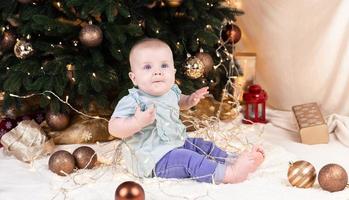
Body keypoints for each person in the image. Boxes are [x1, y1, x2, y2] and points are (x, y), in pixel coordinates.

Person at [108, 38, 265, 184]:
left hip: (176, 142)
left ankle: (232, 160)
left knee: (200, 145)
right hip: (152, 159)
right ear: (134, 78)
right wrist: (136, 122)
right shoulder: (133, 100)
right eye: (148, 67)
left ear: (174, 72)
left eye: (164, 65)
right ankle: (229, 174)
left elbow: (179, 101)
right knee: (188, 159)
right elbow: (113, 128)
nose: (158, 72)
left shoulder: (170, 91)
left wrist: (189, 100)